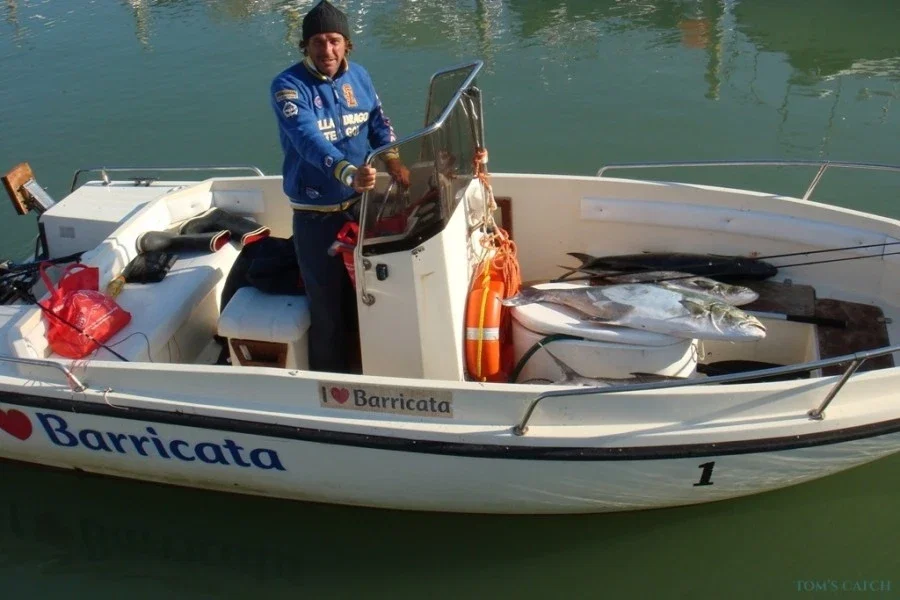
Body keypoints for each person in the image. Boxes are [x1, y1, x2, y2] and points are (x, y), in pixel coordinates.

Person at [270, 0, 409, 373]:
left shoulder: (360, 76)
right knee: (326, 304)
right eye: (317, 42)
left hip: (360, 208)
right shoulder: (287, 87)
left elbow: (377, 121)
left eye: (334, 40)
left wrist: (393, 160)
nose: (327, 50)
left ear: (348, 43)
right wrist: (348, 173)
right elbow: (308, 141)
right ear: (305, 46)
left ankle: (373, 368)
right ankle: (331, 382)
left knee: (370, 294)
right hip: (315, 216)